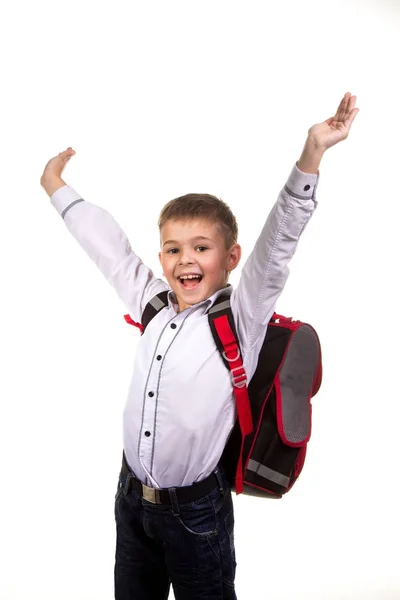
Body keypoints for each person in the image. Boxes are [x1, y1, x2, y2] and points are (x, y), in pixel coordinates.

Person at [40, 92, 359, 600]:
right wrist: (56, 187)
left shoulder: (243, 315)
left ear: (230, 256)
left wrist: (311, 156)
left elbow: (279, 242)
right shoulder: (153, 302)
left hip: (196, 513)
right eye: (173, 249)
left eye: (201, 248)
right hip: (131, 500)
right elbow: (107, 246)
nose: (185, 260)